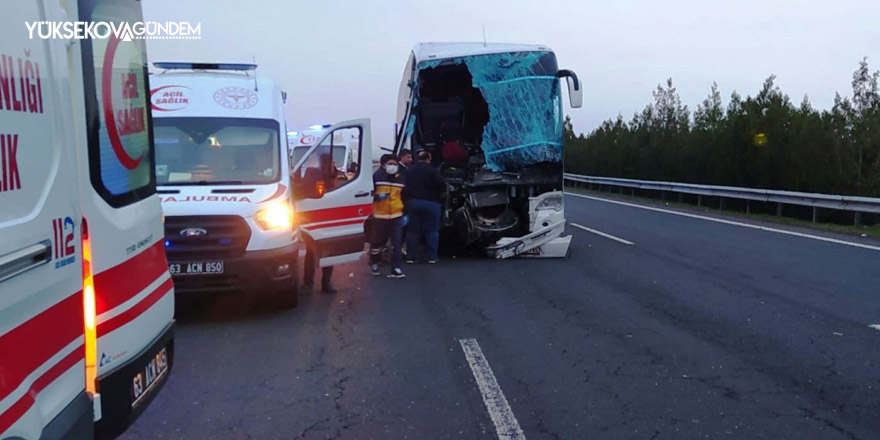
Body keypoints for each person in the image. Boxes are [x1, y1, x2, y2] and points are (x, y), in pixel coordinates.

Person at [303, 153, 338, 293]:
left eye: (328, 164)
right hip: (314, 217)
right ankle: (308, 283)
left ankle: (326, 282)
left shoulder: (337, 175)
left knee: (329, 251)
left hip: (331, 217)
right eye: (323, 164)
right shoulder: (312, 174)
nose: (326, 167)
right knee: (311, 252)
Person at [403, 151, 444, 264]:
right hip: (431, 203)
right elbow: (441, 184)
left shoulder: (409, 171)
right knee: (432, 231)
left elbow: (403, 186)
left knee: (412, 231)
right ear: (428, 159)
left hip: (413, 203)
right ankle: (432, 257)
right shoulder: (433, 171)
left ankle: (411, 257)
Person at [370, 154, 406, 278]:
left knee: (397, 243)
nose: (393, 166)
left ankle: (396, 268)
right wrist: (377, 197)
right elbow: (368, 194)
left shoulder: (401, 178)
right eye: (391, 164)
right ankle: (374, 262)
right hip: (380, 215)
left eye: (395, 164)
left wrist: (405, 211)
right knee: (377, 242)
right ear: (383, 164)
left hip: (396, 214)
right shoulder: (376, 177)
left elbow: (405, 195)